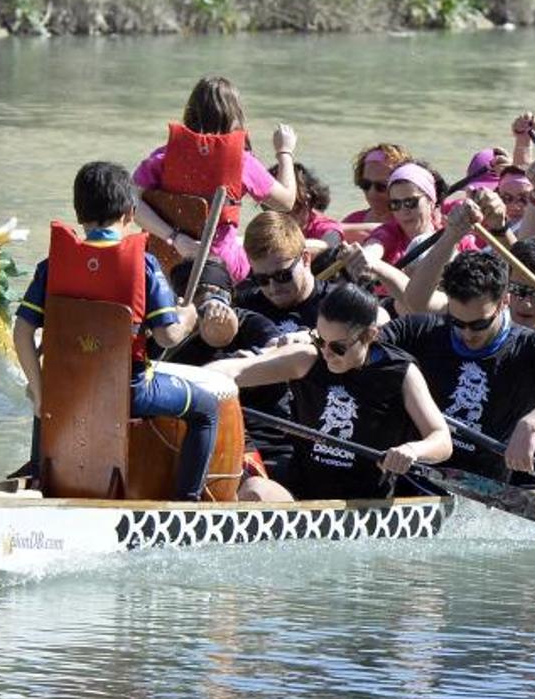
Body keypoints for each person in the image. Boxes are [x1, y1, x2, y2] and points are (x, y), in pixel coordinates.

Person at [13, 161, 218, 500]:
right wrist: (191, 315)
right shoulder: (143, 264)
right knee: (207, 407)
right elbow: (168, 336)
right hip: (130, 393)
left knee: (49, 391)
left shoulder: (51, 266)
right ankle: (188, 504)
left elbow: (22, 332)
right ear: (130, 212)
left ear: (79, 213)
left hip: (67, 392)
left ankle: (38, 475)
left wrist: (38, 392)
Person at [209, 285, 451, 501]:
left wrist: (412, 451)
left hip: (364, 505)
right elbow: (234, 370)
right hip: (302, 494)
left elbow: (441, 439)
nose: (327, 353)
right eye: (321, 340)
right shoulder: (307, 358)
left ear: (370, 335)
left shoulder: (400, 372)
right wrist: (188, 382)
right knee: (255, 491)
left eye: (338, 347)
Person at [381, 251, 535, 479]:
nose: (466, 334)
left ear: (504, 302)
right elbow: (360, 345)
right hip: (415, 476)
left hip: (484, 489)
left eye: (479, 324)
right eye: (457, 322)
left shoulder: (532, 346)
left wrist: (531, 424)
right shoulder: (420, 330)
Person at [132, 75, 298, 283]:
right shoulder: (242, 163)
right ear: (234, 117)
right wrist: (284, 151)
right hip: (218, 266)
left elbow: (131, 203)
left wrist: (175, 238)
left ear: (190, 114)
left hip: (164, 262)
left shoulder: (163, 157)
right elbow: (286, 202)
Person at [163, 257, 290, 475]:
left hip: (264, 442)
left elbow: (282, 351)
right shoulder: (169, 338)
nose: (211, 302)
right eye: (200, 293)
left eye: (219, 293)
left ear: (230, 297)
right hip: (195, 442)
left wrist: (254, 358)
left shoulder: (251, 323)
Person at [235, 211, 338, 335]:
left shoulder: (338, 305)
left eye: (282, 276)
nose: (274, 288)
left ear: (305, 259)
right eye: (262, 280)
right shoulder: (246, 304)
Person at [364, 162, 475, 265]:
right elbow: (374, 246)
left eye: (410, 202)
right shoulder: (388, 233)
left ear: (431, 202)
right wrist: (367, 256)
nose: (403, 210)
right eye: (395, 204)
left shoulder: (456, 236)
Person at [339, 142, 414, 240]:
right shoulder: (352, 221)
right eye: (365, 185)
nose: (372, 193)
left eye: (381, 186)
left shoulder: (411, 223)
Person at [273, 161, 342, 252]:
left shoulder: (326, 229)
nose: (282, 216)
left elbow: (330, 244)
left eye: (295, 206)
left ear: (309, 201)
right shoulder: (270, 225)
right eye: (271, 207)